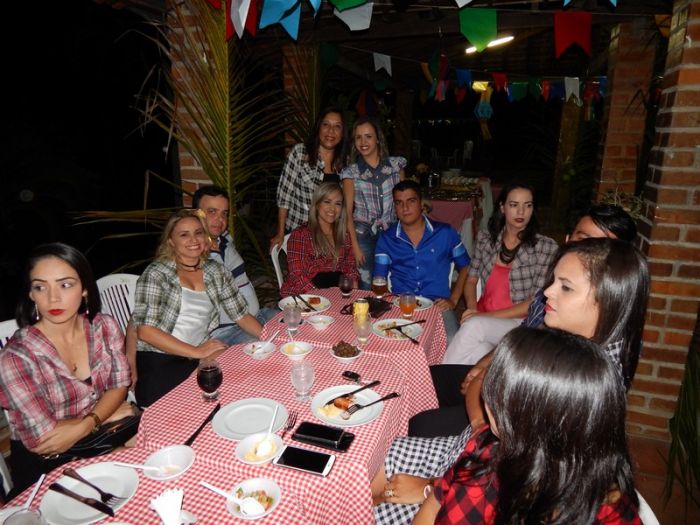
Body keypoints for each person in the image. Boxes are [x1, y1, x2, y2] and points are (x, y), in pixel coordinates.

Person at [371, 237, 649, 525]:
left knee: (378, 495)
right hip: (475, 453)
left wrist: (431, 488)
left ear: (607, 300)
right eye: (553, 281)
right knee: (376, 461)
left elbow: (519, 484)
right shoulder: (563, 341)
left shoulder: (587, 384)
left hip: (487, 474)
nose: (547, 292)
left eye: (565, 287)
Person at [423, 203, 638, 437]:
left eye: (602, 246)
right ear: (568, 239)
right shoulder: (561, 291)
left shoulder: (597, 359)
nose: (548, 292)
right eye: (585, 240)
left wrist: (484, 384)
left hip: (514, 421)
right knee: (429, 379)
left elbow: (521, 422)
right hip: (507, 388)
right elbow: (524, 333)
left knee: (425, 423)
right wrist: (483, 366)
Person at [411, 326, 641, 524]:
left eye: (497, 385)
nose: (487, 392)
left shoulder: (486, 473)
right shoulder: (610, 483)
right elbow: (438, 498)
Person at [0, 243, 138, 495]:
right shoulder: (17, 357)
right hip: (47, 465)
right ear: (31, 294)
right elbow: (45, 439)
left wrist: (91, 421)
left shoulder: (104, 327)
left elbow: (119, 386)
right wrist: (100, 418)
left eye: (65, 285)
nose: (53, 298)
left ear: (84, 288)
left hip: (100, 436)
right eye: (40, 287)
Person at [132, 209, 263, 407]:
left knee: (244, 366)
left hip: (195, 357)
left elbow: (241, 315)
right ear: (171, 241)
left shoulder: (216, 271)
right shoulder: (157, 274)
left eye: (198, 232)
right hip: (160, 359)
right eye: (184, 235)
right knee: (217, 388)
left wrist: (271, 340)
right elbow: (145, 332)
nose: (193, 239)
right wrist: (197, 352)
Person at [442, 181, 558, 365]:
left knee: (474, 327)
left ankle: (438, 378)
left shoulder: (545, 247)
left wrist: (480, 317)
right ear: (503, 208)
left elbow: (533, 303)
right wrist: (472, 308)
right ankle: (454, 381)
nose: (521, 212)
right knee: (479, 352)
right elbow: (471, 280)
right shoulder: (486, 239)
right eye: (514, 205)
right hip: (483, 317)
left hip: (519, 323)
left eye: (528, 205)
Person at [374, 180, 470, 341]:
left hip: (439, 306)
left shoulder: (445, 233)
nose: (405, 208)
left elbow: (466, 265)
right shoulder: (387, 239)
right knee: (386, 339)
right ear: (395, 207)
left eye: (411, 201)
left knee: (452, 338)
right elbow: (379, 278)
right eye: (399, 203)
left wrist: (454, 299)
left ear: (421, 204)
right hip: (401, 306)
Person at [193, 186, 277, 344]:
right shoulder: (195, 256)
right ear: (196, 214)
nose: (220, 219)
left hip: (255, 317)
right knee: (273, 347)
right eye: (212, 212)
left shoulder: (224, 239)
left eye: (224, 213)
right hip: (226, 332)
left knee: (297, 323)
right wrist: (269, 338)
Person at [341, 116, 406, 289]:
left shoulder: (395, 166)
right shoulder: (351, 173)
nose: (363, 142)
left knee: (396, 279)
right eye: (358, 137)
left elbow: (404, 202)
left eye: (368, 136)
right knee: (366, 282)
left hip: (391, 231)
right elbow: (347, 212)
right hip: (363, 234)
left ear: (378, 139)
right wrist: (355, 246)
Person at [271, 107, 347, 248]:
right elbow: (284, 196)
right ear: (318, 128)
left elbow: (345, 205)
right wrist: (280, 232)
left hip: (330, 237)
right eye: (326, 124)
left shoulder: (345, 164)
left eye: (337, 126)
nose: (331, 131)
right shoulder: (300, 153)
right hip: (300, 233)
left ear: (342, 133)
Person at [281, 182, 359, 296]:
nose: (332, 208)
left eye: (338, 204)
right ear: (317, 204)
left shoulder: (344, 234)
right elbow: (297, 276)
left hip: (334, 292)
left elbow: (350, 266)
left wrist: (354, 290)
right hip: (304, 294)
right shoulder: (301, 234)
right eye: (327, 202)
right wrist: (320, 297)